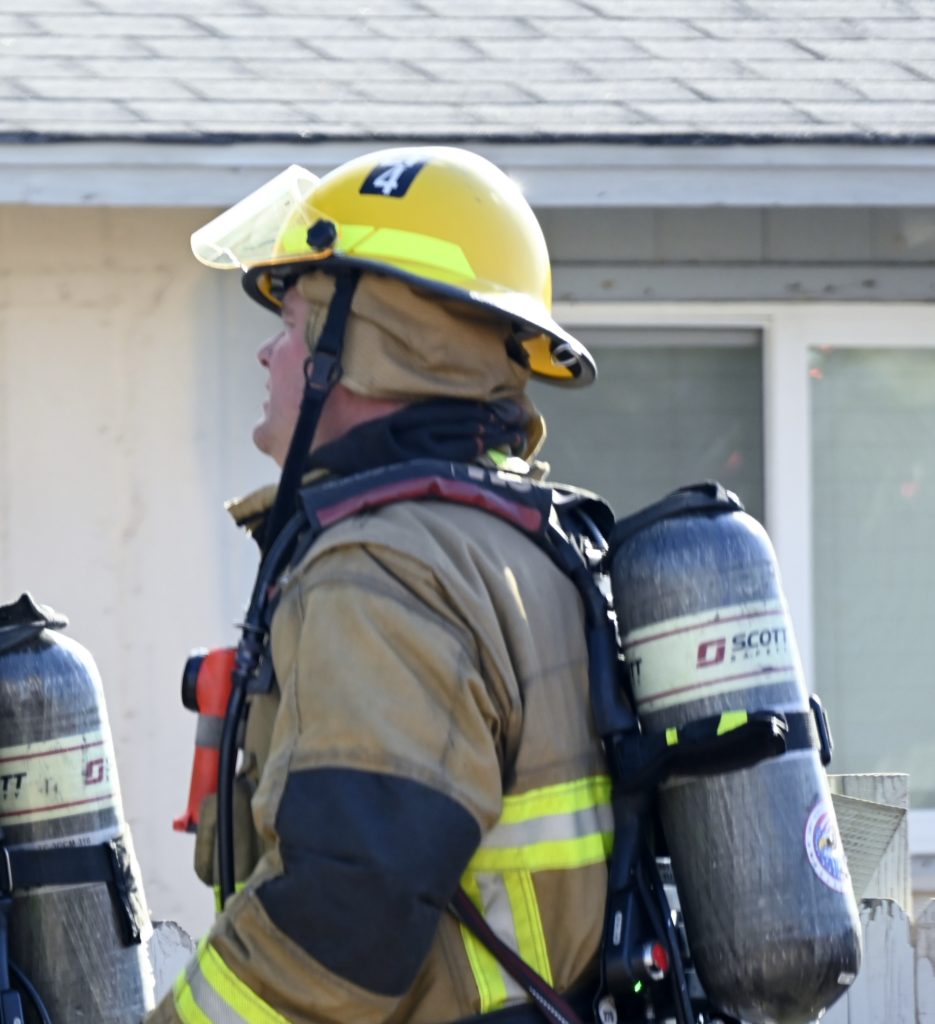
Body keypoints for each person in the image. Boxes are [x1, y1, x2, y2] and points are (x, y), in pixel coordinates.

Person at [149, 146, 611, 1024]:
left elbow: (344, 916)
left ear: (364, 350)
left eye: (293, 322)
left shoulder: (382, 571)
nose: (266, 353)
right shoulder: (522, 545)